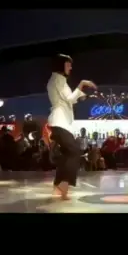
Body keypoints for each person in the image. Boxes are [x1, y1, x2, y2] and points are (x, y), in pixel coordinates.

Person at [47, 54, 96, 200]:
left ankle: (58, 185)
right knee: (74, 151)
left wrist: (81, 96)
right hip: (60, 122)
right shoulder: (58, 79)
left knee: (67, 154)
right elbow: (69, 99)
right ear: (61, 65)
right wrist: (82, 83)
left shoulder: (57, 80)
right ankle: (63, 185)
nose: (70, 67)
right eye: (68, 64)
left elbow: (70, 99)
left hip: (60, 122)